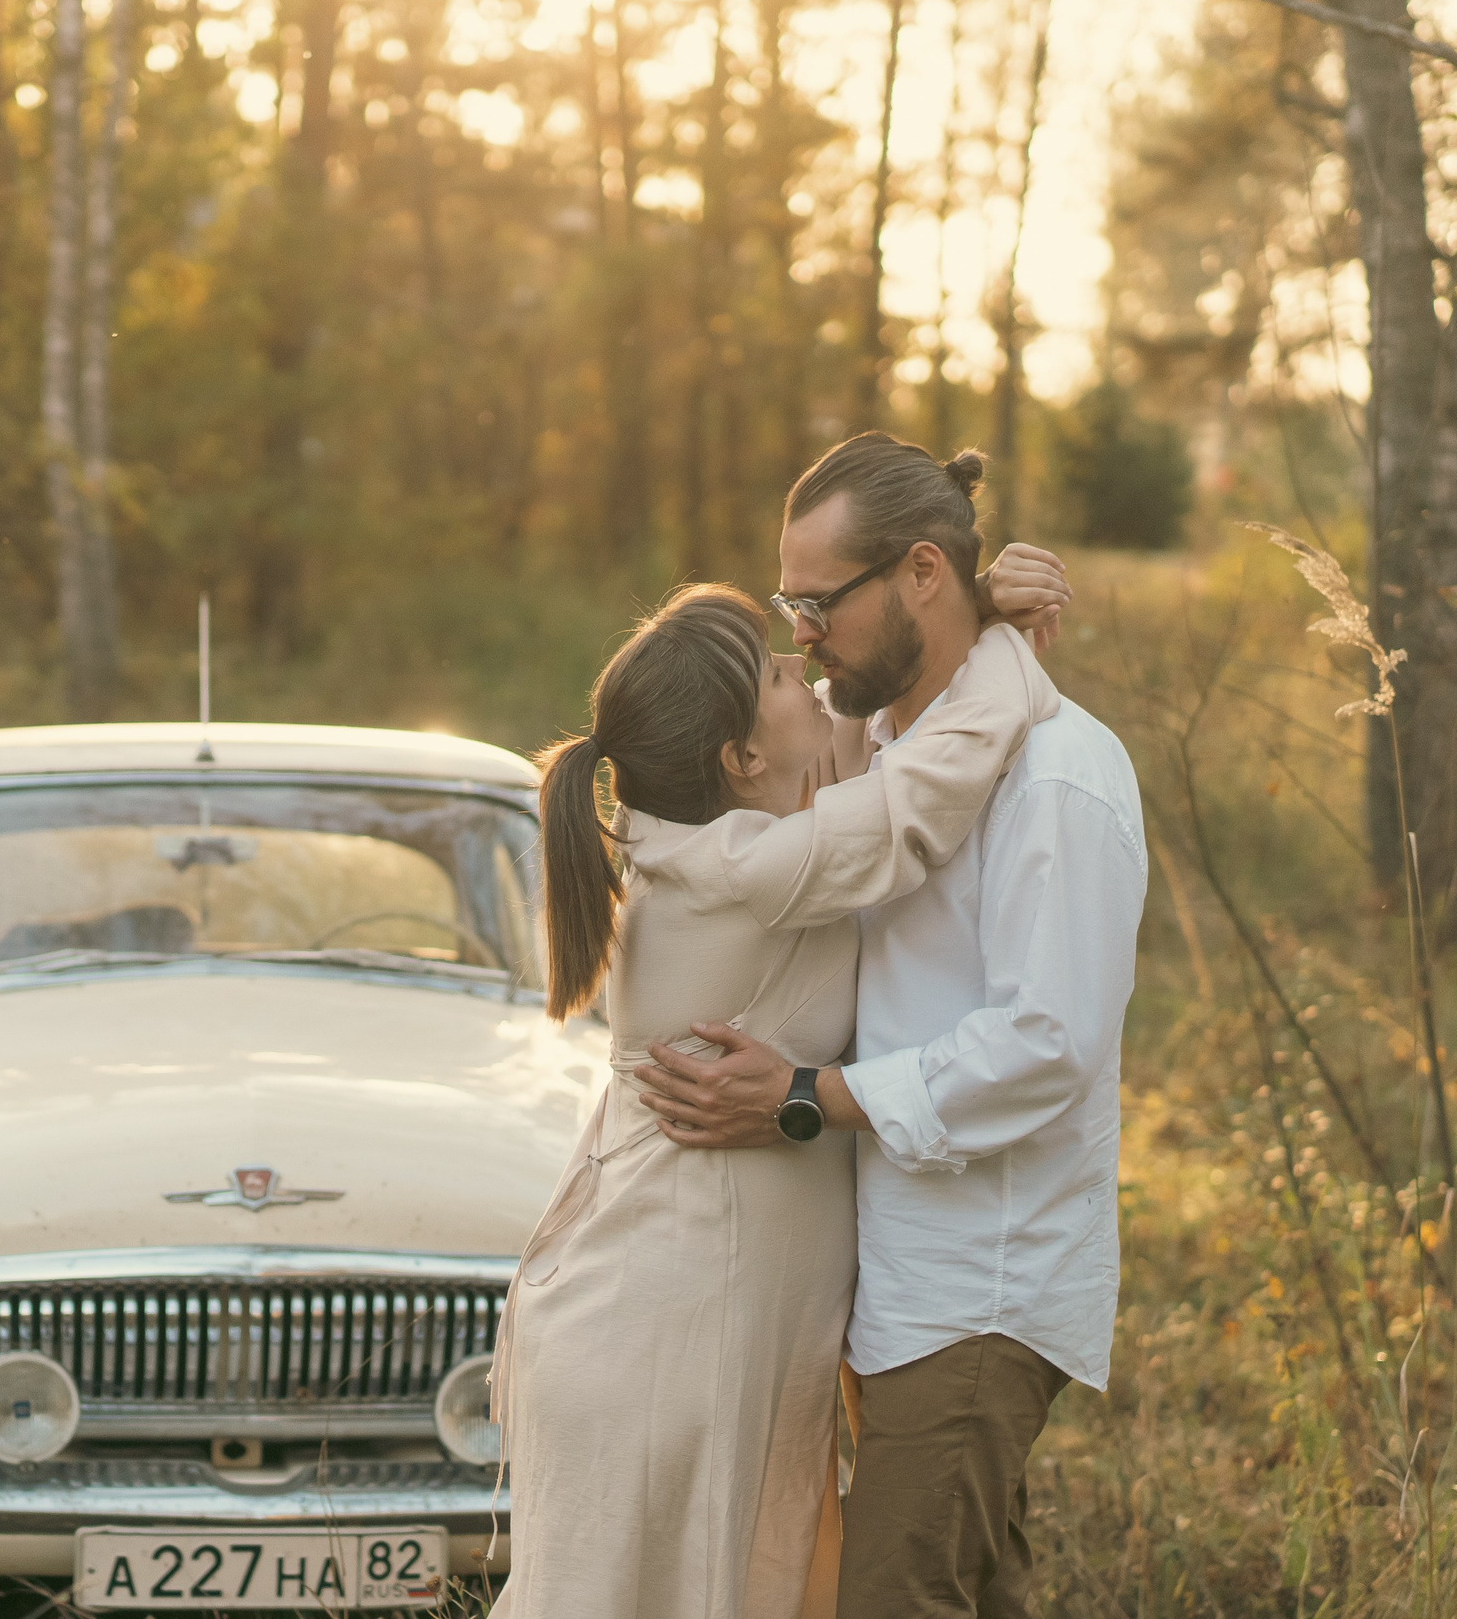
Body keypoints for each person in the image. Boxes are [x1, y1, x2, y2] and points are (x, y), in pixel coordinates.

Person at [488, 542, 1067, 1619]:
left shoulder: (722, 839)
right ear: (740, 756)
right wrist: (987, 644)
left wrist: (958, 608)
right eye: (776, 673)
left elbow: (855, 729)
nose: (806, 670)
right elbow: (926, 789)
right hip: (662, 1341)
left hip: (693, 1325)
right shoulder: (746, 869)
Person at [635, 433, 1147, 1619]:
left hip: (979, 1286)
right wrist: (989, 619)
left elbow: (1045, 1043)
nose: (803, 634)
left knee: (891, 1598)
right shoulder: (883, 748)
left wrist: (804, 1095)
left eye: (820, 603)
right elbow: (730, 758)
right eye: (790, 606)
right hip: (892, 1274)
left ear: (921, 572)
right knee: (971, 1588)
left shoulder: (1057, 779)